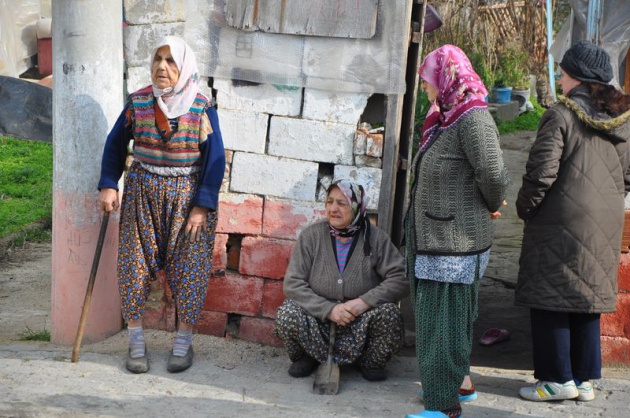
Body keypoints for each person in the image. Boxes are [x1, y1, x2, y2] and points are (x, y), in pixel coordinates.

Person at [98, 36, 226, 374]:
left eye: (170, 61)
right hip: (142, 194)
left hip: (188, 200)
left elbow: (215, 159)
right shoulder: (138, 102)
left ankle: (183, 342)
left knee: (190, 270)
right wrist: (109, 185)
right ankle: (136, 341)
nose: (162, 68)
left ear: (183, 67)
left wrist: (202, 206)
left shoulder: (201, 106)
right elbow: (115, 145)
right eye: (157, 60)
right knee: (133, 264)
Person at [515, 40, 630, 402]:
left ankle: (555, 380)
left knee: (551, 295)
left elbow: (541, 173)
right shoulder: (621, 119)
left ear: (576, 77)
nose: (559, 79)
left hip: (559, 217)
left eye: (562, 73)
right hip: (605, 220)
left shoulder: (560, 115)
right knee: (587, 295)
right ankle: (583, 381)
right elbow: (627, 176)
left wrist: (526, 207)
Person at [405, 45, 509, 418]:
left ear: (446, 77)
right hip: (438, 237)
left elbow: (493, 174)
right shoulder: (447, 116)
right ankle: (460, 385)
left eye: (428, 81)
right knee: (446, 319)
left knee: (441, 325)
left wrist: (491, 202)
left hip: (451, 243)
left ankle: (441, 406)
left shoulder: (473, 118)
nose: (425, 89)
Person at [274, 180, 409, 382]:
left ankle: (370, 361)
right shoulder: (311, 236)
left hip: (359, 323)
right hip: (318, 322)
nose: (333, 209)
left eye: (342, 203)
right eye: (329, 202)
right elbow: (293, 283)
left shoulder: (377, 239)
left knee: (390, 315)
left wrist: (363, 303)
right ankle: (306, 356)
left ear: (356, 207)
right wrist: (328, 309)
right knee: (288, 313)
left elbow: (401, 278)